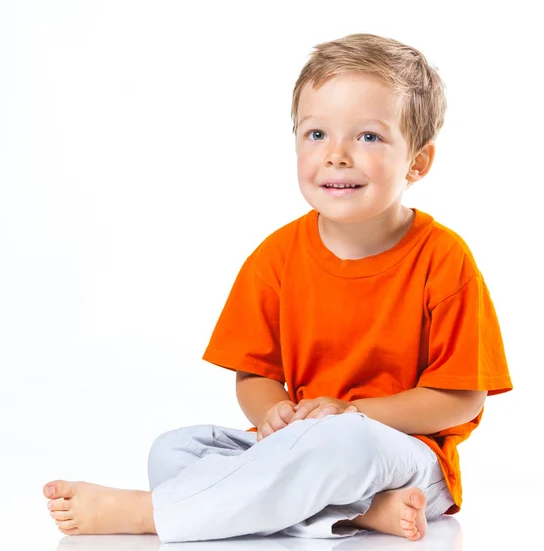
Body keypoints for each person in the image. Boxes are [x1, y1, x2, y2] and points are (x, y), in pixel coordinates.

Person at [43, 33, 513, 543]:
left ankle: (150, 515)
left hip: (405, 453)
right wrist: (274, 413)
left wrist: (351, 413)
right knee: (174, 450)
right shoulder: (276, 258)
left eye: (369, 137)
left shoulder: (444, 260)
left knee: (342, 446)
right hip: (302, 447)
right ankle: (356, 513)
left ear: (417, 163)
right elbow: (254, 376)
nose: (336, 155)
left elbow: (462, 398)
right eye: (316, 134)